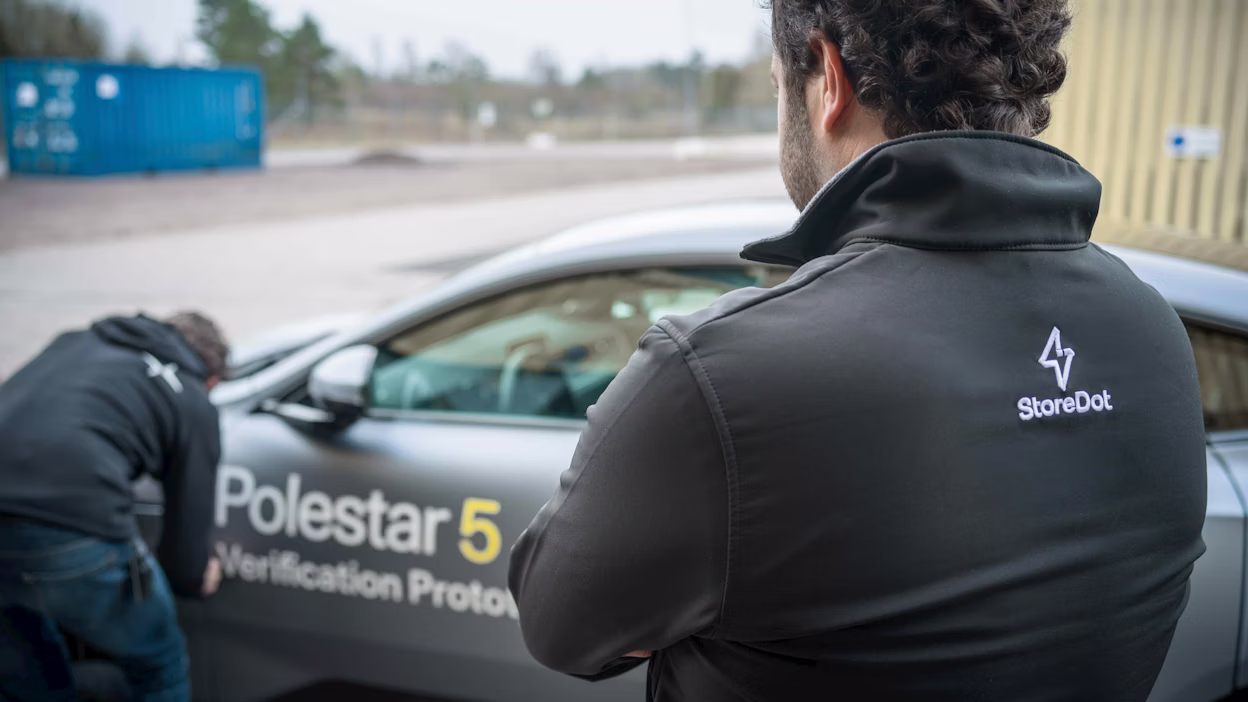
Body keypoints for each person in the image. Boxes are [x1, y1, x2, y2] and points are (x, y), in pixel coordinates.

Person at [508, 1, 1208, 700]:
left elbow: (560, 626)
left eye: (779, 86)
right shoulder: (1153, 329)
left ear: (829, 80)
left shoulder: (719, 376)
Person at [0, 312, 229, 702]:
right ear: (211, 380)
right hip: (70, 528)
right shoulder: (190, 395)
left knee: (29, 670)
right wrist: (194, 577)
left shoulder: (75, 342)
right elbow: (187, 539)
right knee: (159, 661)